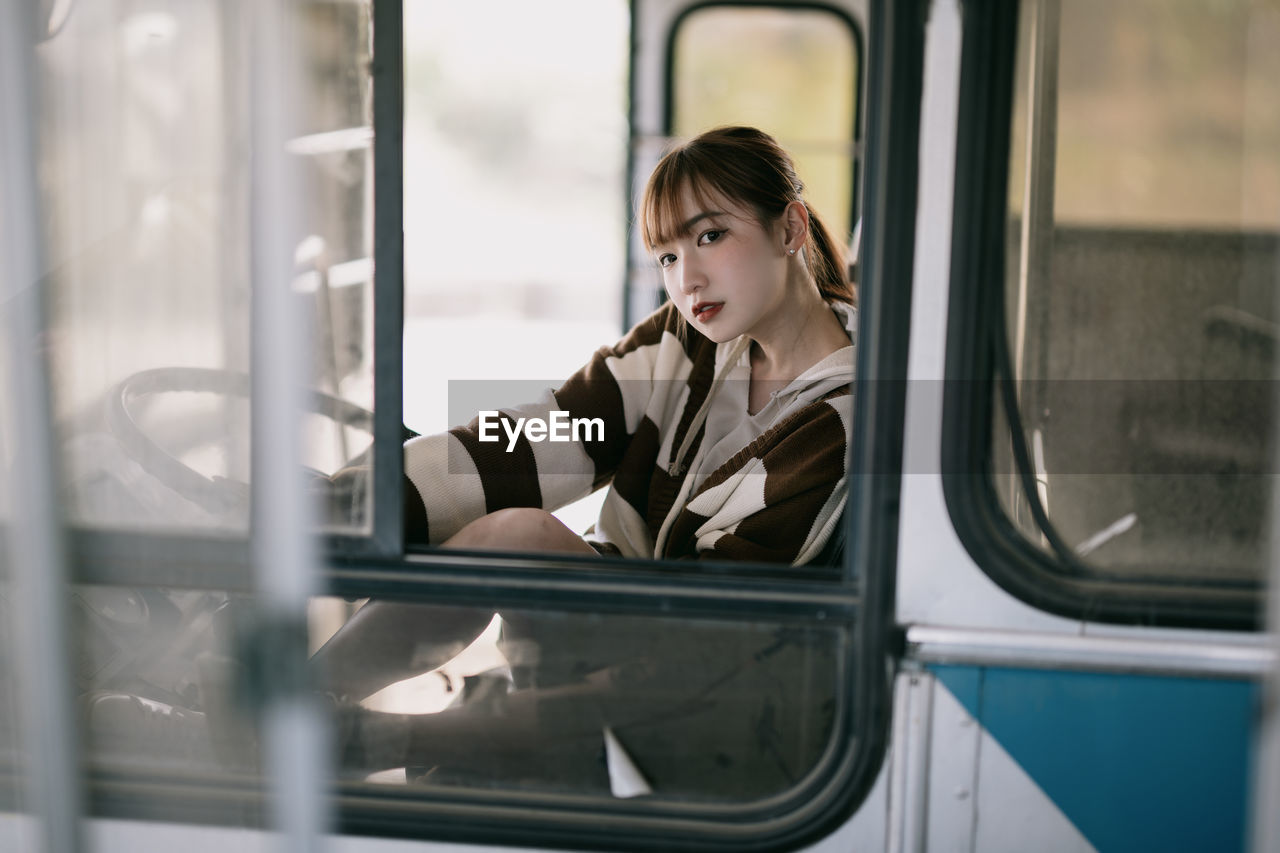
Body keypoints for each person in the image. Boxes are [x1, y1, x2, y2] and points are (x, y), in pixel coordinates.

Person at [317, 125, 857, 797]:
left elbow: (719, 626)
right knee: (510, 532)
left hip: (722, 677)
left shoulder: (845, 417)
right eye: (665, 256)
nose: (686, 278)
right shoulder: (686, 339)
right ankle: (299, 697)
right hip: (642, 617)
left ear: (790, 228)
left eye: (711, 236)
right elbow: (541, 435)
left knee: (526, 553)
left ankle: (354, 735)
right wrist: (350, 504)